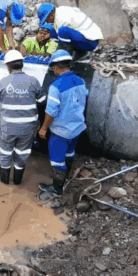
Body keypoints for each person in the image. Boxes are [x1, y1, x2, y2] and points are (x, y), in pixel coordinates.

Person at [38, 50, 89, 196]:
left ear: (56, 67)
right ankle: (67, 177)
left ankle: (57, 189)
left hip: (61, 131)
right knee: (69, 153)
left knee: (57, 160)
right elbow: (84, 97)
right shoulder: (80, 81)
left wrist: (43, 128)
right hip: (77, 127)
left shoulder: (56, 86)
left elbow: (51, 111)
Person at [0, 50, 46, 185]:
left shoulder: (2, 82)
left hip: (8, 127)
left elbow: (3, 100)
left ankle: (4, 183)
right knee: (22, 153)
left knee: (5, 153)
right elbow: (42, 102)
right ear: (22, 64)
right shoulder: (33, 81)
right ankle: (17, 182)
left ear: (8, 66)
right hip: (27, 128)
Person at [37, 3, 103, 59]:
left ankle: (66, 58)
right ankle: (79, 53)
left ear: (51, 16)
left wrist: (58, 56)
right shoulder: (59, 11)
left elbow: (62, 41)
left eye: (47, 20)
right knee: (52, 30)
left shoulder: (62, 19)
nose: (47, 22)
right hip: (83, 38)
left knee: (63, 31)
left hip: (91, 42)